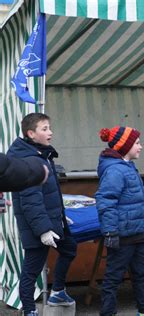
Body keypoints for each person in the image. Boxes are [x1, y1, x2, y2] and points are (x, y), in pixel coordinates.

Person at [7, 113, 77, 316]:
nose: (50, 132)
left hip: (51, 221)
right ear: (31, 133)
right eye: (44, 129)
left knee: (69, 248)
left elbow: (47, 194)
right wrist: (44, 230)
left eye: (49, 128)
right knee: (31, 270)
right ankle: (29, 310)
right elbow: (31, 202)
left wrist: (60, 217)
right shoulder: (30, 161)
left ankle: (58, 291)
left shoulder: (40, 155)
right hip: (37, 227)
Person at [95, 126, 144, 316]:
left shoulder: (127, 167)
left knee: (141, 274)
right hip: (121, 236)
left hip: (136, 233)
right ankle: (108, 313)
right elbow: (106, 202)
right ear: (125, 146)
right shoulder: (115, 171)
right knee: (113, 277)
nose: (141, 147)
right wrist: (110, 232)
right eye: (137, 143)